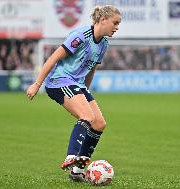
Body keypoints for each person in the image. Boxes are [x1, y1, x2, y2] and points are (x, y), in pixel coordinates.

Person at [26, 5, 121, 181]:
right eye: (115, 23)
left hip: (77, 84)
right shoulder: (81, 35)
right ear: (103, 20)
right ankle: (71, 157)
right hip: (59, 81)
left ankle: (77, 171)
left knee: (99, 123)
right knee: (86, 115)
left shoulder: (104, 44)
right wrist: (37, 84)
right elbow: (54, 57)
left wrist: (86, 91)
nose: (117, 27)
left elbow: (91, 68)